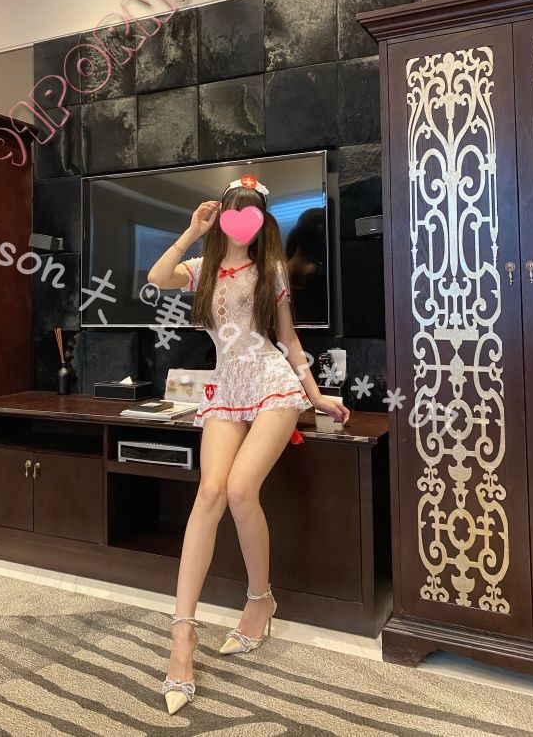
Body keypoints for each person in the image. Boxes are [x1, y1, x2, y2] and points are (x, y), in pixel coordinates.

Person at [146, 173, 350, 715]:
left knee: (240, 490)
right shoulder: (202, 269)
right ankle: (182, 636)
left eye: (252, 214)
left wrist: (316, 395)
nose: (243, 224)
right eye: (235, 213)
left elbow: (288, 338)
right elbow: (157, 276)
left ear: (262, 222)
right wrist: (192, 231)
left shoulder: (272, 270)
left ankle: (260, 601)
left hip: (273, 384)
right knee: (209, 493)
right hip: (227, 386)